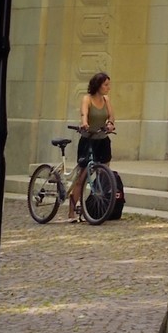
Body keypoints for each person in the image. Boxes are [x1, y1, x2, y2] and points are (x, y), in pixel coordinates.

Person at [68, 70, 115, 220]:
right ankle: (71, 210)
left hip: (102, 139)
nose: (108, 87)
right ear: (98, 85)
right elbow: (84, 114)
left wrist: (110, 124)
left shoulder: (106, 100)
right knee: (82, 176)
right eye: (106, 85)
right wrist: (84, 124)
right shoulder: (87, 99)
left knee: (104, 173)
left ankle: (99, 205)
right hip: (89, 140)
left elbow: (111, 116)